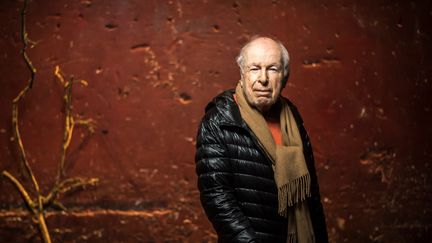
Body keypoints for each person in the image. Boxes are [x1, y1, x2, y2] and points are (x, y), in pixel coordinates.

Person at [195, 36, 328, 243]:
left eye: (272, 69)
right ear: (242, 73)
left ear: (284, 76)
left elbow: (311, 196)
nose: (263, 79)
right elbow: (217, 198)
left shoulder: (292, 118)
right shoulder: (219, 121)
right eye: (255, 68)